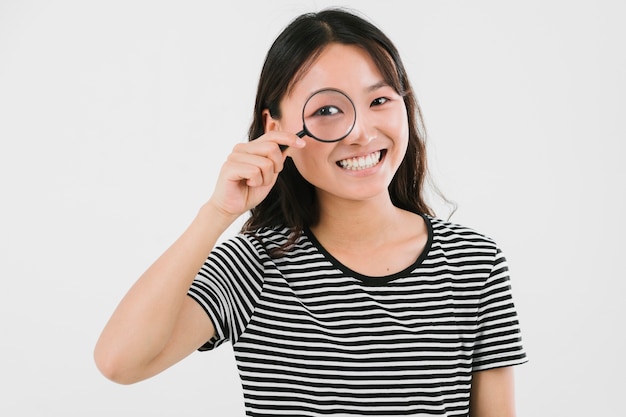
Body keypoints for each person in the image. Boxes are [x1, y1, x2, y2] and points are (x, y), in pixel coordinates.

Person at [94, 7, 527, 416]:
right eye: (327, 110)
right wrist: (216, 213)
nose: (360, 132)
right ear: (276, 128)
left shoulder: (474, 262)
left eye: (379, 101)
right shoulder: (255, 266)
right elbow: (119, 362)